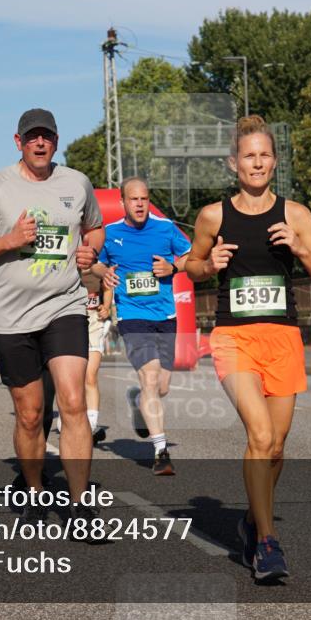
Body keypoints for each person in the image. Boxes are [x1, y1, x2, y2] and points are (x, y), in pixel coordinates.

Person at [185, 115, 311, 580]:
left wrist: (300, 248)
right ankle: (268, 544)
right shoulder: (214, 215)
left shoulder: (296, 215)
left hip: (283, 337)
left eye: (265, 155)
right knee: (261, 436)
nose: (257, 162)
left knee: (277, 448)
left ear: (274, 161)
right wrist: (208, 264)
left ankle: (252, 520)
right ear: (234, 163)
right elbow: (191, 266)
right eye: (248, 155)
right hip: (233, 337)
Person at [0, 107, 104, 525]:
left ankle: (80, 506)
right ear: (18, 142)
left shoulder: (76, 183)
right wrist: (8, 240)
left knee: (74, 402)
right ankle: (36, 490)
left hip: (65, 305)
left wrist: (89, 249)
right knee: (30, 413)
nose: (40, 143)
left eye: (47, 136)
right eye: (32, 137)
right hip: (12, 315)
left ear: (56, 141)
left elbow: (94, 227)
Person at [92, 177, 192, 475]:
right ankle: (161, 450)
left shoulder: (164, 227)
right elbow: (95, 263)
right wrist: (104, 274)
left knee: (161, 386)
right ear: (122, 202)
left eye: (144, 199)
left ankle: (137, 400)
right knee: (150, 378)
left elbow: (190, 257)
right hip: (132, 316)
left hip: (165, 316)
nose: (140, 204)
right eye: (134, 199)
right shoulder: (110, 233)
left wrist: (173, 267)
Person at [83, 271, 112, 445]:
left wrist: (106, 307)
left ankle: (92, 425)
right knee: (72, 378)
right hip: (68, 323)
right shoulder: (66, 261)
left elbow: (107, 289)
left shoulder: (99, 266)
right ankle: (72, 415)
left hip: (94, 322)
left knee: (90, 376)